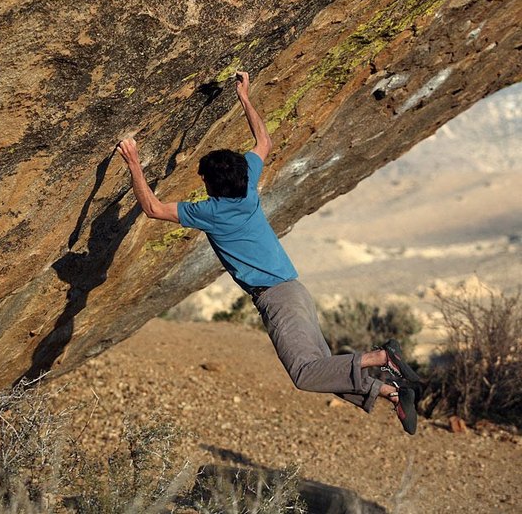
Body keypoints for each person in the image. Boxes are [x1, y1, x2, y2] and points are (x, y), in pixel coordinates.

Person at [117, 71, 420, 435]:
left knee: (305, 374)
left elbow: (152, 208)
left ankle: (383, 358)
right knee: (325, 368)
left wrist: (133, 162)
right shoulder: (248, 187)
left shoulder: (210, 213)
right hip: (294, 290)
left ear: (211, 187)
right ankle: (390, 391)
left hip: (277, 299)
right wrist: (245, 97)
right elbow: (264, 140)